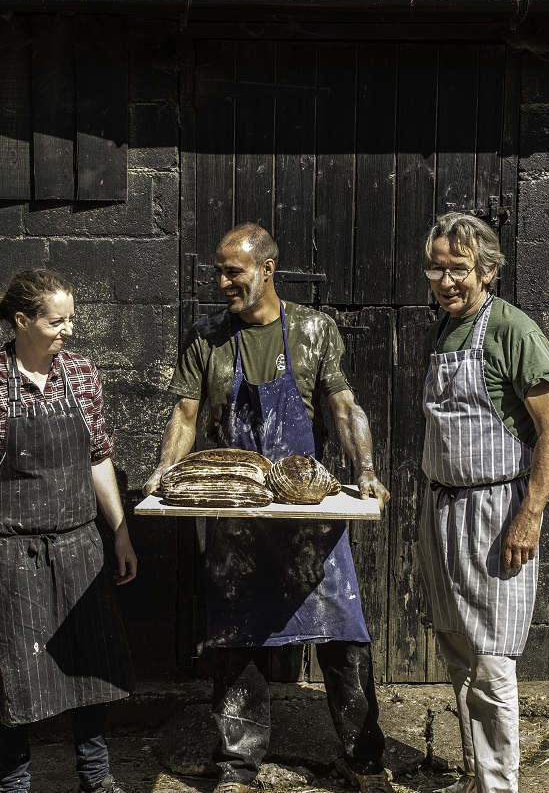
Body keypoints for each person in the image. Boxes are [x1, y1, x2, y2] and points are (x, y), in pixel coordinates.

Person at [142, 223, 395, 793]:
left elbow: (344, 408)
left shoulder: (311, 329)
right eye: (219, 271)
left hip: (309, 517)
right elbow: (185, 416)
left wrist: (367, 472)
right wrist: (163, 475)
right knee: (237, 639)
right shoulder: (207, 337)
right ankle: (237, 768)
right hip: (238, 516)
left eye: (234, 270)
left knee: (343, 637)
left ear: (268, 269)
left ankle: (364, 761)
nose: (223, 281)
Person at [0, 268, 137, 793]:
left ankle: (96, 778)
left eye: (71, 319)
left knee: (90, 665)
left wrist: (119, 533)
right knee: (16, 675)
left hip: (81, 545)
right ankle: (15, 784)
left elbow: (99, 459)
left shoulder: (81, 375)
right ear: (22, 320)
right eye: (57, 321)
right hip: (14, 554)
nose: (68, 331)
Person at [416, 212, 549, 793]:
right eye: (437, 269)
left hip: (495, 510)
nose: (446, 281)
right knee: (457, 649)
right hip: (442, 507)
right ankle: (478, 778)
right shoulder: (445, 329)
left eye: (459, 269)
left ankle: (500, 787)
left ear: (489, 271)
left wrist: (529, 515)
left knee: (492, 659)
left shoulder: (512, 331)